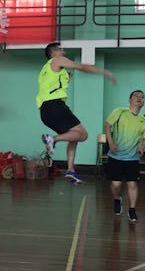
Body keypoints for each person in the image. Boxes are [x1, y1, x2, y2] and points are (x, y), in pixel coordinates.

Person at [39, 42, 116, 184]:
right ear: (53, 52)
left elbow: (53, 86)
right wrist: (104, 72)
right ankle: (53, 139)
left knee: (74, 136)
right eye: (60, 49)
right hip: (55, 106)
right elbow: (82, 67)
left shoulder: (45, 69)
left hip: (45, 112)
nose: (63, 52)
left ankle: (70, 170)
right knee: (83, 135)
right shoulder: (57, 60)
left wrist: (67, 79)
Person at [104, 90, 145, 223]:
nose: (140, 98)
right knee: (116, 184)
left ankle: (132, 210)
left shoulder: (144, 121)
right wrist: (111, 143)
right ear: (130, 100)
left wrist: (142, 148)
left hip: (132, 158)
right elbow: (107, 126)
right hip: (115, 156)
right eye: (137, 96)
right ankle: (117, 198)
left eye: (142, 97)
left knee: (132, 184)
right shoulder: (119, 112)